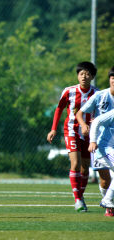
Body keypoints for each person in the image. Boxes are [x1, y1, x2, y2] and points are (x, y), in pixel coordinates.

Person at [47, 61, 98, 212]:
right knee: (74, 164)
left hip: (89, 133)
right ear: (77, 75)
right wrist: (53, 129)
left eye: (87, 74)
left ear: (92, 76)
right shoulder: (69, 91)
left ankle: (80, 197)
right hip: (71, 131)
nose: (84, 76)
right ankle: (77, 200)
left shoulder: (97, 93)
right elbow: (59, 109)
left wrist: (95, 122)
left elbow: (101, 112)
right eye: (81, 73)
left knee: (85, 169)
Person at [76, 66, 114, 216]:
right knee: (105, 179)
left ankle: (108, 203)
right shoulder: (100, 96)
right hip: (100, 144)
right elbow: (80, 113)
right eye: (113, 78)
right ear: (110, 80)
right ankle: (108, 202)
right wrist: (85, 125)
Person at [88, 107, 114, 211]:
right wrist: (93, 141)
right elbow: (97, 121)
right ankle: (107, 199)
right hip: (104, 149)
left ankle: (107, 199)